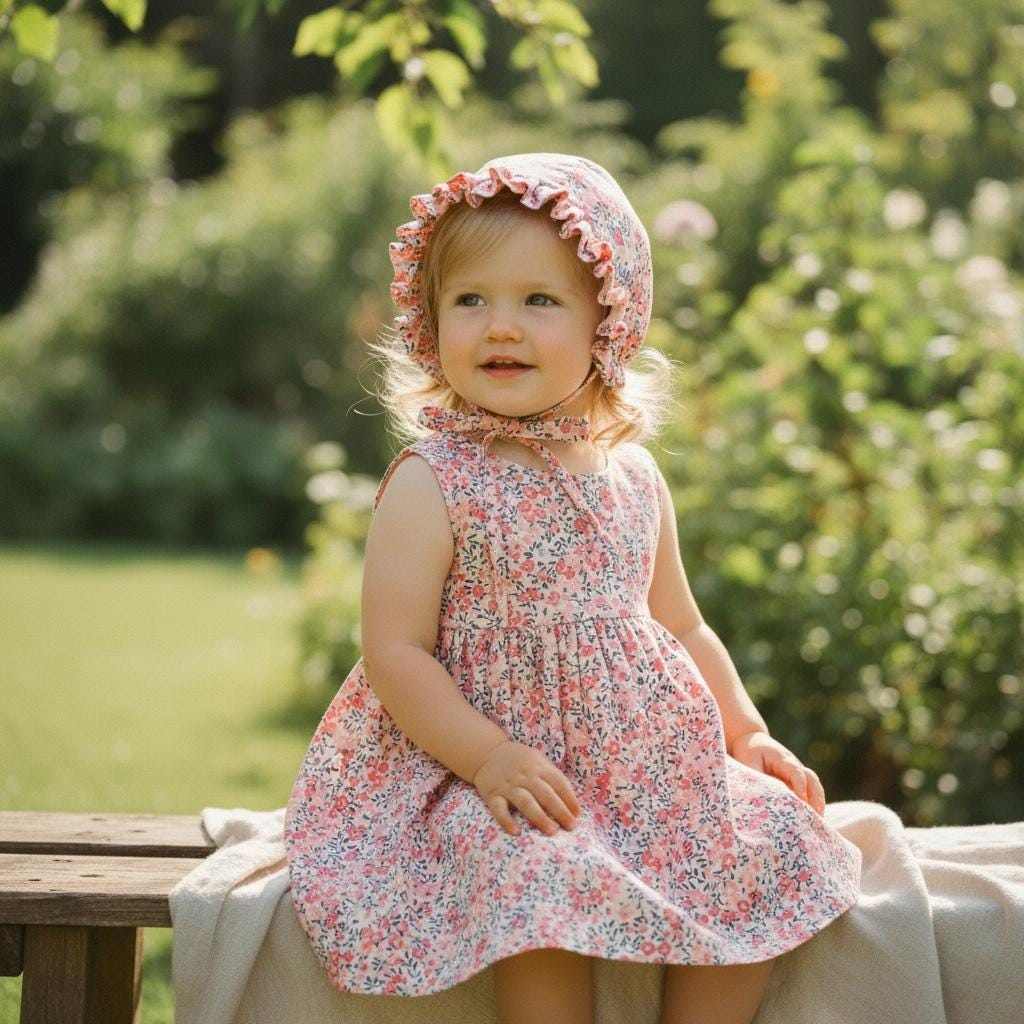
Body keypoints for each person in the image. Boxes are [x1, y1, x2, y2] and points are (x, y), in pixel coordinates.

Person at [284, 153, 862, 1024]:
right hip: (491, 770)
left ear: (609, 322)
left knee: (766, 842)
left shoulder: (631, 477)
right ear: (429, 321)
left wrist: (748, 734)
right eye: (470, 300)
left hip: (644, 771)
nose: (500, 327)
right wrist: (485, 757)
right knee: (538, 872)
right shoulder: (436, 478)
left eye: (539, 301)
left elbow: (684, 625)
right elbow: (394, 650)